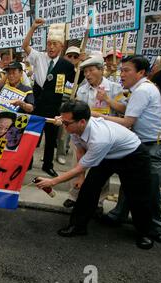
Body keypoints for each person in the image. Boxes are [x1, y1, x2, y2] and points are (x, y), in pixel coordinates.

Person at [35, 100, 155, 249]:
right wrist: (81, 177)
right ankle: (78, 226)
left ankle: (145, 233)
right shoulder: (74, 128)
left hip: (133, 156)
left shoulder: (99, 138)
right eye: (63, 122)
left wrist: (53, 182)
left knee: (137, 195)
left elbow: (80, 166)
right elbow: (80, 150)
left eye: (66, 123)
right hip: (108, 155)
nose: (63, 126)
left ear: (82, 121)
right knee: (88, 189)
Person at [95, 55, 161, 244]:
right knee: (129, 180)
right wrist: (108, 101)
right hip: (140, 144)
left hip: (153, 146)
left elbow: (127, 121)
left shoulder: (143, 90)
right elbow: (124, 109)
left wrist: (97, 116)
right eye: (121, 70)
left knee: (149, 189)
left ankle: (157, 226)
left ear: (141, 72)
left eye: (127, 70)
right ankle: (119, 214)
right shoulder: (139, 89)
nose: (122, 74)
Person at [63, 55, 128, 211]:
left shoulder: (114, 88)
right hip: (82, 132)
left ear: (101, 70)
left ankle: (99, 201)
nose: (87, 74)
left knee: (100, 168)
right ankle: (74, 195)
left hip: (105, 135)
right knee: (77, 162)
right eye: (85, 71)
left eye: (91, 70)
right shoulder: (83, 89)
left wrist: (107, 99)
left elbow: (125, 109)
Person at [22, 18, 76, 177]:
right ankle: (28, 162)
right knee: (32, 136)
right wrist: (33, 28)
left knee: (51, 138)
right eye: (49, 43)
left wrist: (81, 64)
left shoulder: (67, 65)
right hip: (37, 104)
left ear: (61, 46)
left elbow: (77, 80)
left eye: (55, 44)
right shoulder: (38, 57)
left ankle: (47, 164)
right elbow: (25, 46)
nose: (51, 47)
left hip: (54, 107)